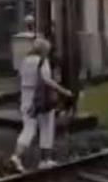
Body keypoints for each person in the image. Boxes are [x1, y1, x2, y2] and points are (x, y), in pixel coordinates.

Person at [12, 36, 74, 172]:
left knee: (28, 129)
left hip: (26, 98)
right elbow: (47, 80)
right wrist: (64, 91)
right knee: (47, 128)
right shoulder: (42, 61)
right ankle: (45, 160)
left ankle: (17, 156)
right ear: (44, 50)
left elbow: (19, 78)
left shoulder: (25, 60)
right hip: (42, 99)